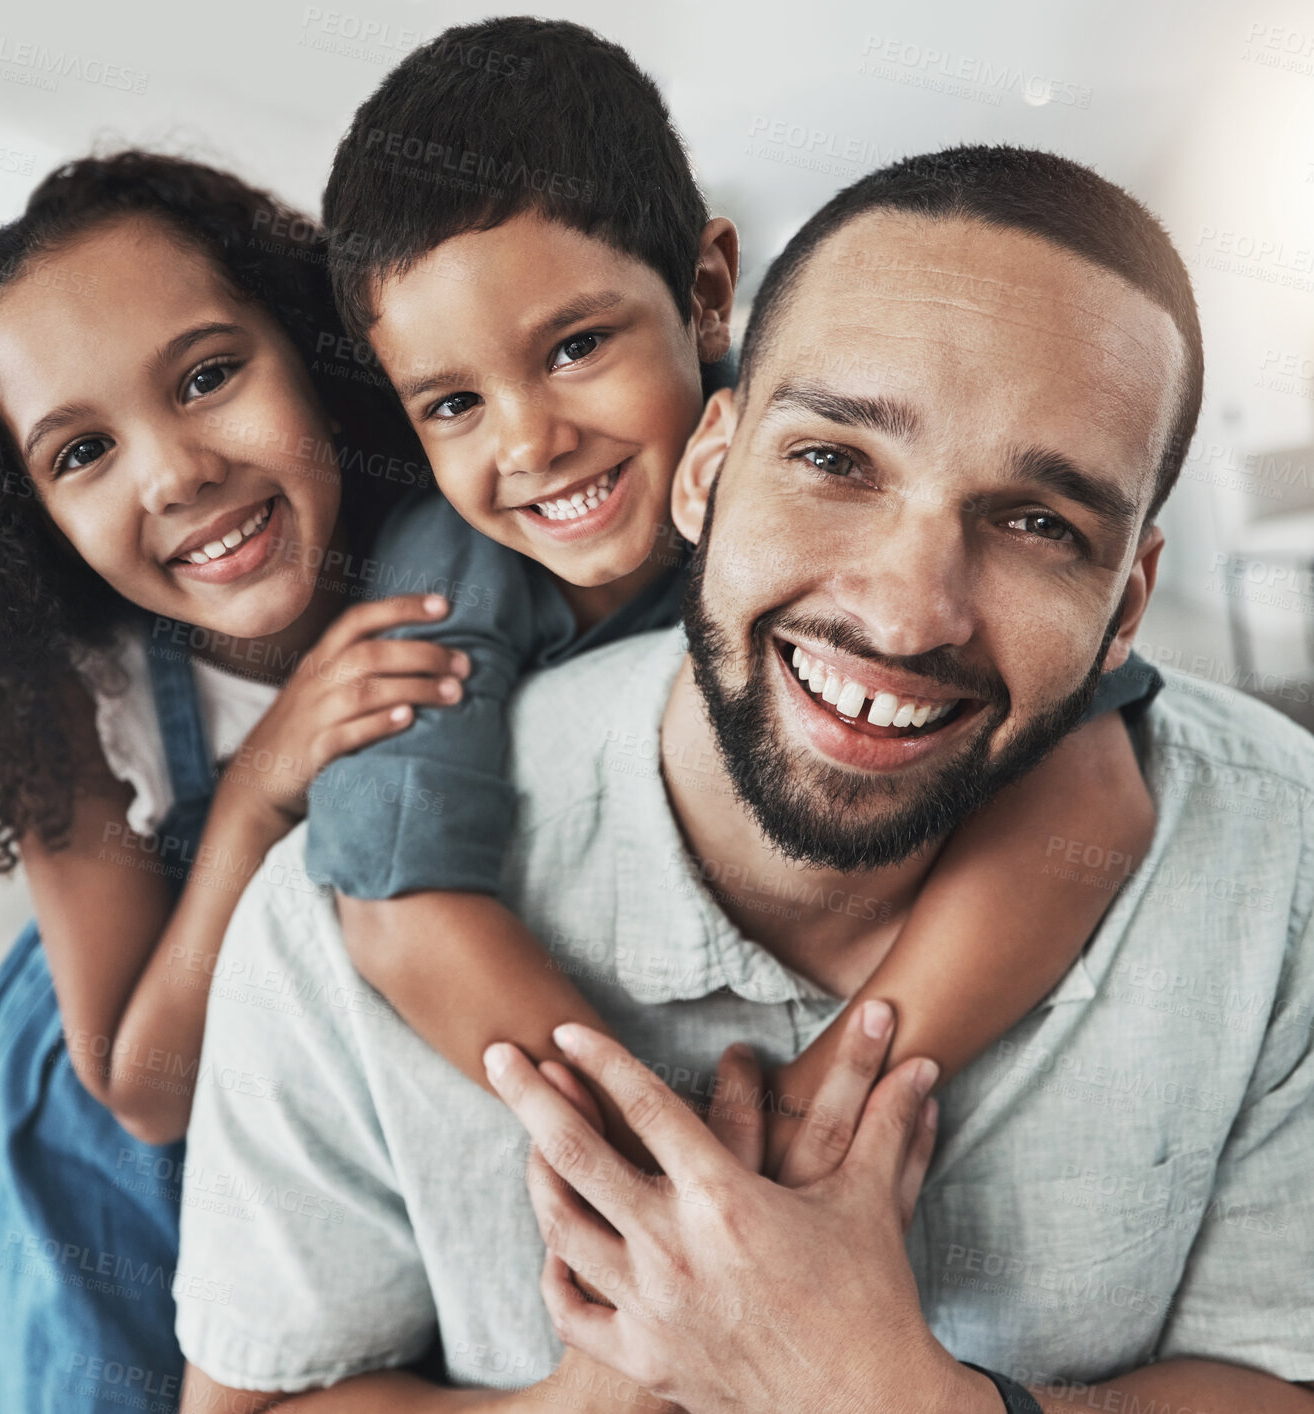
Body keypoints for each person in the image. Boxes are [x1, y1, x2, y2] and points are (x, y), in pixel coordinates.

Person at [172, 149, 1314, 1409]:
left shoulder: (1282, 860)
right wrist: (623, 1371)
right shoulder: (317, 924)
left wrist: (892, 1398)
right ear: (707, 471)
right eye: (833, 460)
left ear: (1125, 609)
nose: (904, 611)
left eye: (1040, 526)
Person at [305, 15, 1161, 1171]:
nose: (529, 441)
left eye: (572, 348)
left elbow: (1094, 793)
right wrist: (671, 1169)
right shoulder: (439, 582)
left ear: (708, 292)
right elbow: (402, 913)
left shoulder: (829, 427)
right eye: (452, 403)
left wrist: (808, 1120)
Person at [0, 152, 464, 1414]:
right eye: (82, 451)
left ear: (310, 345)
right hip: (121, 1130)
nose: (174, 473)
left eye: (210, 377)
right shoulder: (72, 684)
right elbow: (140, 1090)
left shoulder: (450, 532)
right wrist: (261, 786)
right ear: (31, 512)